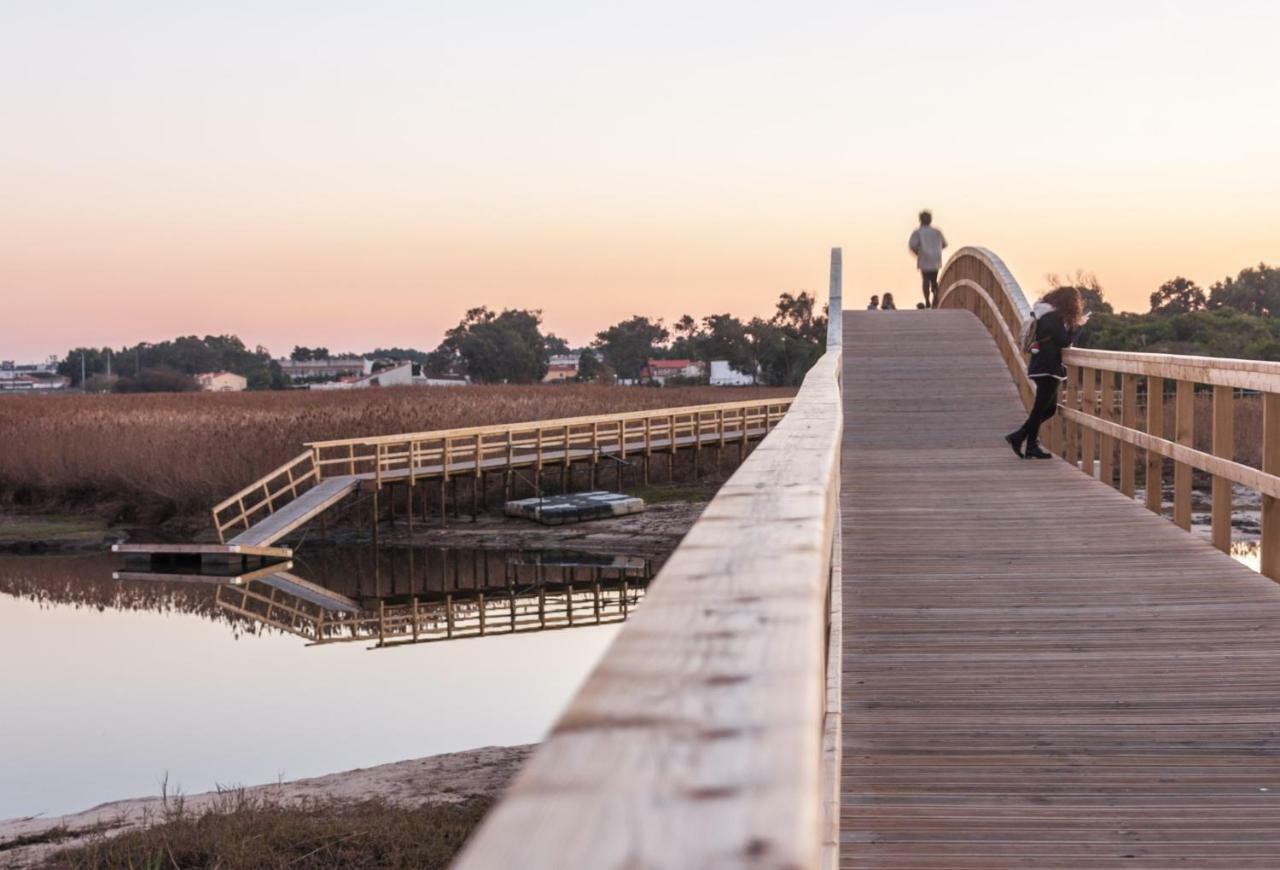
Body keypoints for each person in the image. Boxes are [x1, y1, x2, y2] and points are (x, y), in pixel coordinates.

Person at [1005, 286, 1089, 459]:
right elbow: (1064, 341)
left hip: (1042, 366)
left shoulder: (1045, 314)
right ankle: (1027, 443)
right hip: (1047, 367)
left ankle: (1022, 437)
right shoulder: (1053, 318)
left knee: (1048, 409)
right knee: (1040, 409)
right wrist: (1077, 327)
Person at [908, 210, 948, 308]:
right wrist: (937, 249)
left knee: (925, 278)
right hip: (935, 258)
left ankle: (927, 299)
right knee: (934, 278)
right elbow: (944, 244)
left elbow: (912, 245)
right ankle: (935, 292)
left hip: (924, 258)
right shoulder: (937, 231)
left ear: (920, 220)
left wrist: (918, 253)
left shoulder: (918, 232)